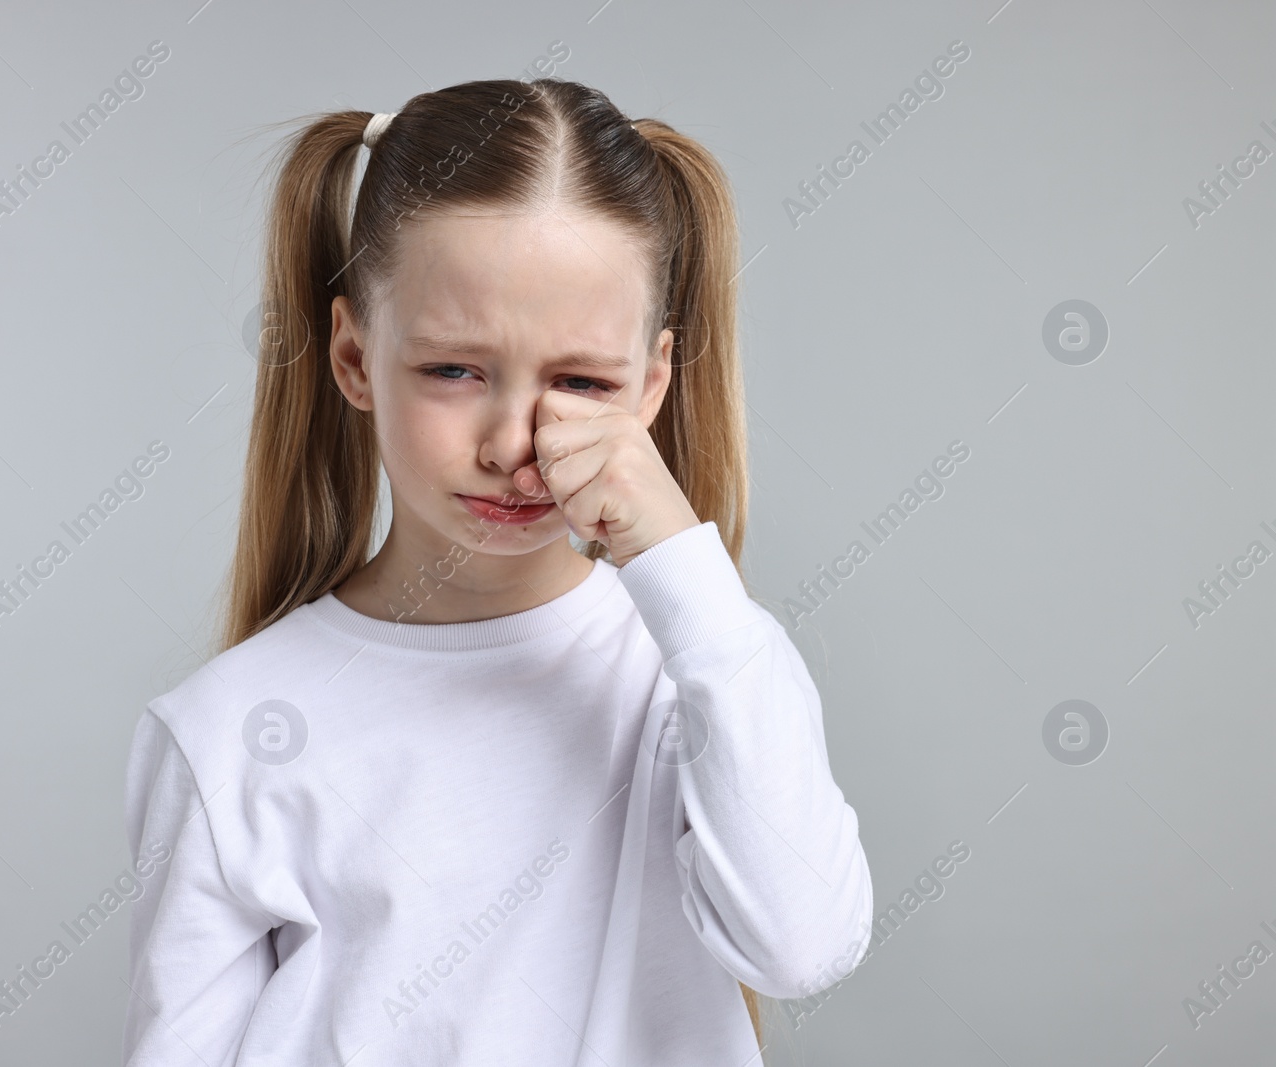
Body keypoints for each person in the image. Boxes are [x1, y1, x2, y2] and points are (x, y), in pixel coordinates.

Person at [123, 76, 872, 1066]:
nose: (516, 443)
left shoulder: (697, 674)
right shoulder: (227, 731)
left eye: (581, 383)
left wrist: (682, 565)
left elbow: (800, 942)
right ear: (352, 356)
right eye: (453, 370)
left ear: (650, 384)